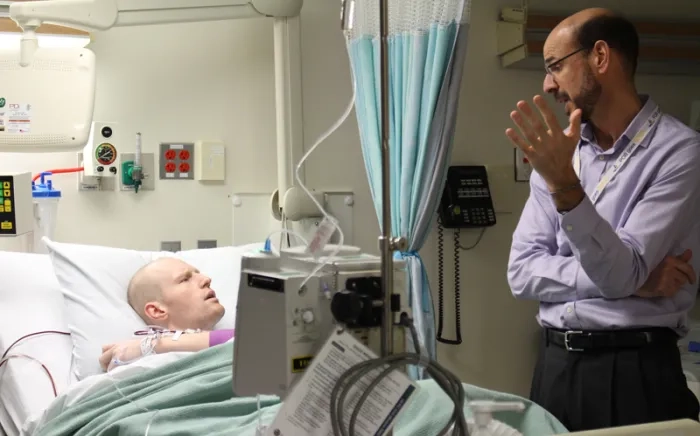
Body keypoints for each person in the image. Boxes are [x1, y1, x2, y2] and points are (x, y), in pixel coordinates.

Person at [504, 7, 700, 432]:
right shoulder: (562, 155)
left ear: (600, 57)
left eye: (555, 66)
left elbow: (618, 273)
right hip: (554, 365)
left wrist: (564, 186)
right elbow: (521, 273)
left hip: (633, 370)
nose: (547, 84)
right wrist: (637, 281)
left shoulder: (679, 153)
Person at [99, 257, 235, 371]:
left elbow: (252, 340)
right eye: (185, 279)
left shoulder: (144, 349)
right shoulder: (137, 366)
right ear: (157, 311)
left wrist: (153, 346)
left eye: (198, 274)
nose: (206, 279)